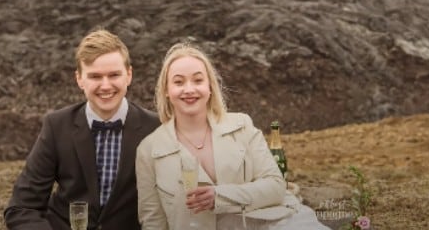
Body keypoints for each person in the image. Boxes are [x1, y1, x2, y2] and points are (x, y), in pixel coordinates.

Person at [136, 42, 330, 229]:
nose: (189, 89)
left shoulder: (242, 126)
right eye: (178, 82)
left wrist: (219, 196)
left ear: (210, 87)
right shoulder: (149, 149)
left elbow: (276, 186)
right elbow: (153, 220)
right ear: (166, 91)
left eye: (198, 80)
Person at [4, 29, 160, 230]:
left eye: (114, 75)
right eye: (95, 76)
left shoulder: (155, 128)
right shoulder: (56, 126)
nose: (105, 86)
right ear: (79, 79)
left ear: (129, 75)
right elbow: (21, 207)